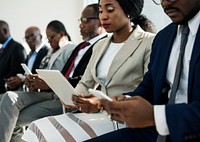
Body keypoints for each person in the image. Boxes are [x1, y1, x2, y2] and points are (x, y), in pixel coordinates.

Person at [22, 0, 155, 141]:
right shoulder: (100, 45)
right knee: (36, 127)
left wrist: (101, 104)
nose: (103, 16)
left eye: (110, 10)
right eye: (101, 11)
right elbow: (86, 83)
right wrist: (72, 98)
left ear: (129, 12)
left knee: (53, 137)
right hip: (95, 114)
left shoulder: (149, 42)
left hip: (122, 117)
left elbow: (147, 89)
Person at [84, 0, 200, 142]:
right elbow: (149, 87)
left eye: (110, 9)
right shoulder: (164, 37)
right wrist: (120, 102)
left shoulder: (148, 41)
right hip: (156, 131)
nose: (165, 3)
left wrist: (154, 115)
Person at [0, 20, 76, 142]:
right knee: (7, 100)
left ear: (61, 35)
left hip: (55, 93)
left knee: (10, 112)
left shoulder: (71, 49)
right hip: (42, 91)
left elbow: (70, 77)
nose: (50, 41)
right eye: (48, 39)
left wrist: (45, 82)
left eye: (51, 38)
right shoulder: (50, 52)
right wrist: (33, 79)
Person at [5, 26, 49, 91]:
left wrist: (22, 80)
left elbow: (42, 75)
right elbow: (26, 73)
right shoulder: (29, 55)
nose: (29, 40)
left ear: (40, 36)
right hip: (28, 89)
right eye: (27, 38)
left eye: (32, 36)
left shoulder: (47, 53)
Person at [0, 20, 27, 94]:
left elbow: (17, 72)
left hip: (8, 90)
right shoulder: (3, 49)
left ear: (4, 31)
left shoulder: (16, 47)